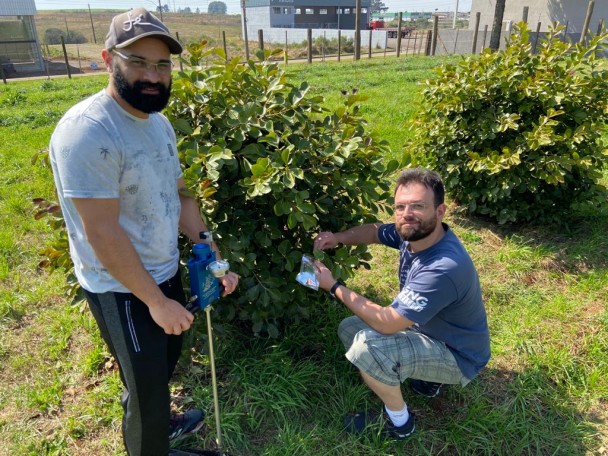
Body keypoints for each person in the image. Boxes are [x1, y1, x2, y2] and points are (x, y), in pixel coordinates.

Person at [49, 8, 239, 456]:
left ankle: (156, 419)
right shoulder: (88, 132)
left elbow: (181, 196)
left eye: (162, 64)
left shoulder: (158, 123)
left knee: (158, 365)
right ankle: (150, 440)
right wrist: (155, 301)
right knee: (148, 388)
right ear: (106, 59)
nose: (153, 75)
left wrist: (211, 253)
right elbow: (101, 231)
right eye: (138, 62)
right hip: (121, 286)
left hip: (162, 267)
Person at [313, 167, 490, 439]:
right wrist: (338, 238)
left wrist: (334, 286)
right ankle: (429, 382)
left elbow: (387, 323)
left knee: (367, 348)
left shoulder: (443, 267)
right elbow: (373, 232)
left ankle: (400, 423)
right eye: (400, 206)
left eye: (418, 206)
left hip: (459, 355)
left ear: (440, 211)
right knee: (350, 328)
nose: (407, 214)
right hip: (429, 331)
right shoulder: (412, 233)